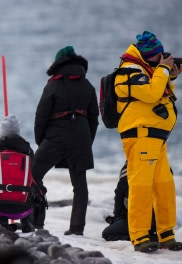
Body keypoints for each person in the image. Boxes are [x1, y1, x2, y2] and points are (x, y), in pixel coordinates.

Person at [115, 31, 182, 252]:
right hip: (141, 136)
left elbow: (161, 95)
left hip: (157, 139)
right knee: (141, 187)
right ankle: (140, 237)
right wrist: (163, 69)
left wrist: (170, 77)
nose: (161, 58)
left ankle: (166, 234)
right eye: (158, 56)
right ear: (148, 55)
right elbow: (152, 94)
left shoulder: (148, 71)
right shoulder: (128, 71)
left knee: (165, 187)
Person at [32, 46, 99, 236]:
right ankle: (77, 228)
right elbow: (94, 118)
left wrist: (41, 142)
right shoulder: (88, 85)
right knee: (80, 186)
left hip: (55, 137)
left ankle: (35, 221)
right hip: (81, 138)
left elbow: (41, 117)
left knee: (32, 176)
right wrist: (87, 141)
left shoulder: (53, 84)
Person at [0, 116, 41, 233]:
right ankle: (27, 223)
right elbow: (34, 176)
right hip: (24, 208)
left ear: (1, 132)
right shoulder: (28, 152)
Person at [102, 161, 158, 242]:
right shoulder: (162, 166)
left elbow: (119, 194)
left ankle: (145, 239)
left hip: (137, 220)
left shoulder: (130, 166)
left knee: (107, 233)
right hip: (158, 223)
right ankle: (155, 237)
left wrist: (117, 217)